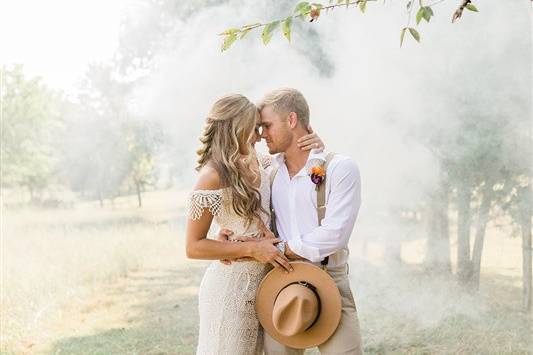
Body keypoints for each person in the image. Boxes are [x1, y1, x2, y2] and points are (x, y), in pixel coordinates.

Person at [185, 93, 324, 355]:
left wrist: (316, 148)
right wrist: (250, 249)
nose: (260, 135)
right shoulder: (211, 176)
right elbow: (193, 247)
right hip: (230, 291)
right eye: (255, 128)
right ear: (236, 128)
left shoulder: (261, 163)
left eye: (262, 127)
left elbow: (307, 175)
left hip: (266, 287)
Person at [230, 88, 364, 354]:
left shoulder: (339, 168)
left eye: (266, 126)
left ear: (292, 120)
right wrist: (235, 240)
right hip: (282, 283)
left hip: (330, 280)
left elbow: (335, 234)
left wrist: (279, 249)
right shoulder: (268, 171)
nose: (261, 135)